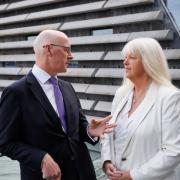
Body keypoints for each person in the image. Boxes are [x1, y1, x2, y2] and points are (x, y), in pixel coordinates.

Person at [0, 29, 116, 180]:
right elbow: (5, 142)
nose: (71, 55)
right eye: (67, 49)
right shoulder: (16, 92)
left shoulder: (67, 87)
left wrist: (89, 130)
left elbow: (77, 128)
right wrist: (41, 159)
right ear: (48, 49)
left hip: (83, 173)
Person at [101, 37, 180, 180]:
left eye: (132, 58)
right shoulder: (121, 94)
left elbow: (173, 151)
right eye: (125, 58)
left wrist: (133, 175)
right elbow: (108, 133)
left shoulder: (169, 97)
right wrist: (107, 162)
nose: (125, 62)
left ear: (149, 62)